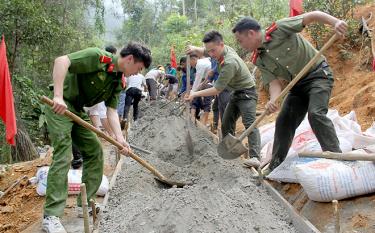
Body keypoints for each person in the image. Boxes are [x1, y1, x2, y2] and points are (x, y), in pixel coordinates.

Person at [42, 42, 151, 233]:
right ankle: (51, 216)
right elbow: (61, 61)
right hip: (60, 106)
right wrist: (58, 96)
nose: (137, 73)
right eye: (138, 68)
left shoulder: (118, 81)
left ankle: (84, 204)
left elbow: (111, 112)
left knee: (94, 151)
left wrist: (120, 140)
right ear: (130, 59)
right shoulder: (96, 57)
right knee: (63, 154)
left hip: (77, 110)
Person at [231, 11, 348, 173]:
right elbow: (274, 82)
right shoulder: (259, 58)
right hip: (297, 86)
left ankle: (336, 157)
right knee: (283, 121)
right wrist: (273, 99)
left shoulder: (279, 28)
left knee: (316, 114)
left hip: (318, 76)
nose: (241, 45)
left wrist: (335, 22)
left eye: (240, 40)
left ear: (251, 33)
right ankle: (275, 165)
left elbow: (312, 15)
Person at [186, 31, 261, 167]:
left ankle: (256, 157)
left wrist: (195, 94)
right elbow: (207, 50)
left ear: (221, 44)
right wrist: (195, 49)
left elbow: (217, 89)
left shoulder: (229, 62)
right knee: (226, 123)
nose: (212, 54)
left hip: (248, 94)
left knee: (249, 124)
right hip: (236, 93)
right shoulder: (222, 50)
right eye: (210, 51)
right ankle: (229, 154)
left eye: (213, 51)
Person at [189, 53, 214, 127]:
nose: (190, 64)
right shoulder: (203, 62)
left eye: (190, 62)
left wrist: (192, 93)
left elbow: (197, 79)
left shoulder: (200, 64)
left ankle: (203, 124)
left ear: (193, 59)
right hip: (204, 82)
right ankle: (192, 120)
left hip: (209, 83)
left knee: (206, 103)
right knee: (195, 101)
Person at [209, 59, 231, 134]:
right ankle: (217, 127)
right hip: (218, 87)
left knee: (224, 109)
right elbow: (211, 75)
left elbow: (218, 69)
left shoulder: (217, 57)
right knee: (216, 107)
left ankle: (228, 131)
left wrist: (213, 71)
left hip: (223, 87)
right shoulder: (212, 59)